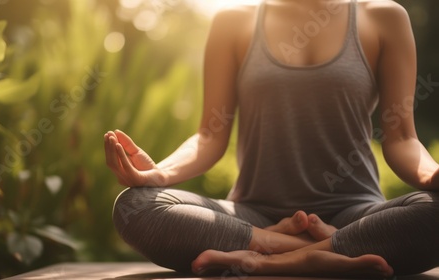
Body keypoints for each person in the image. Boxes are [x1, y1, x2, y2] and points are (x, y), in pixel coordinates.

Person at [105, 0, 439, 277]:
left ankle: (279, 258)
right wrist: (158, 175)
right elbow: (209, 135)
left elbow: (401, 137)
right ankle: (323, 250)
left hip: (355, 214)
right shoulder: (233, 22)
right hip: (254, 217)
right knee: (136, 206)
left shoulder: (383, 17)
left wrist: (431, 174)